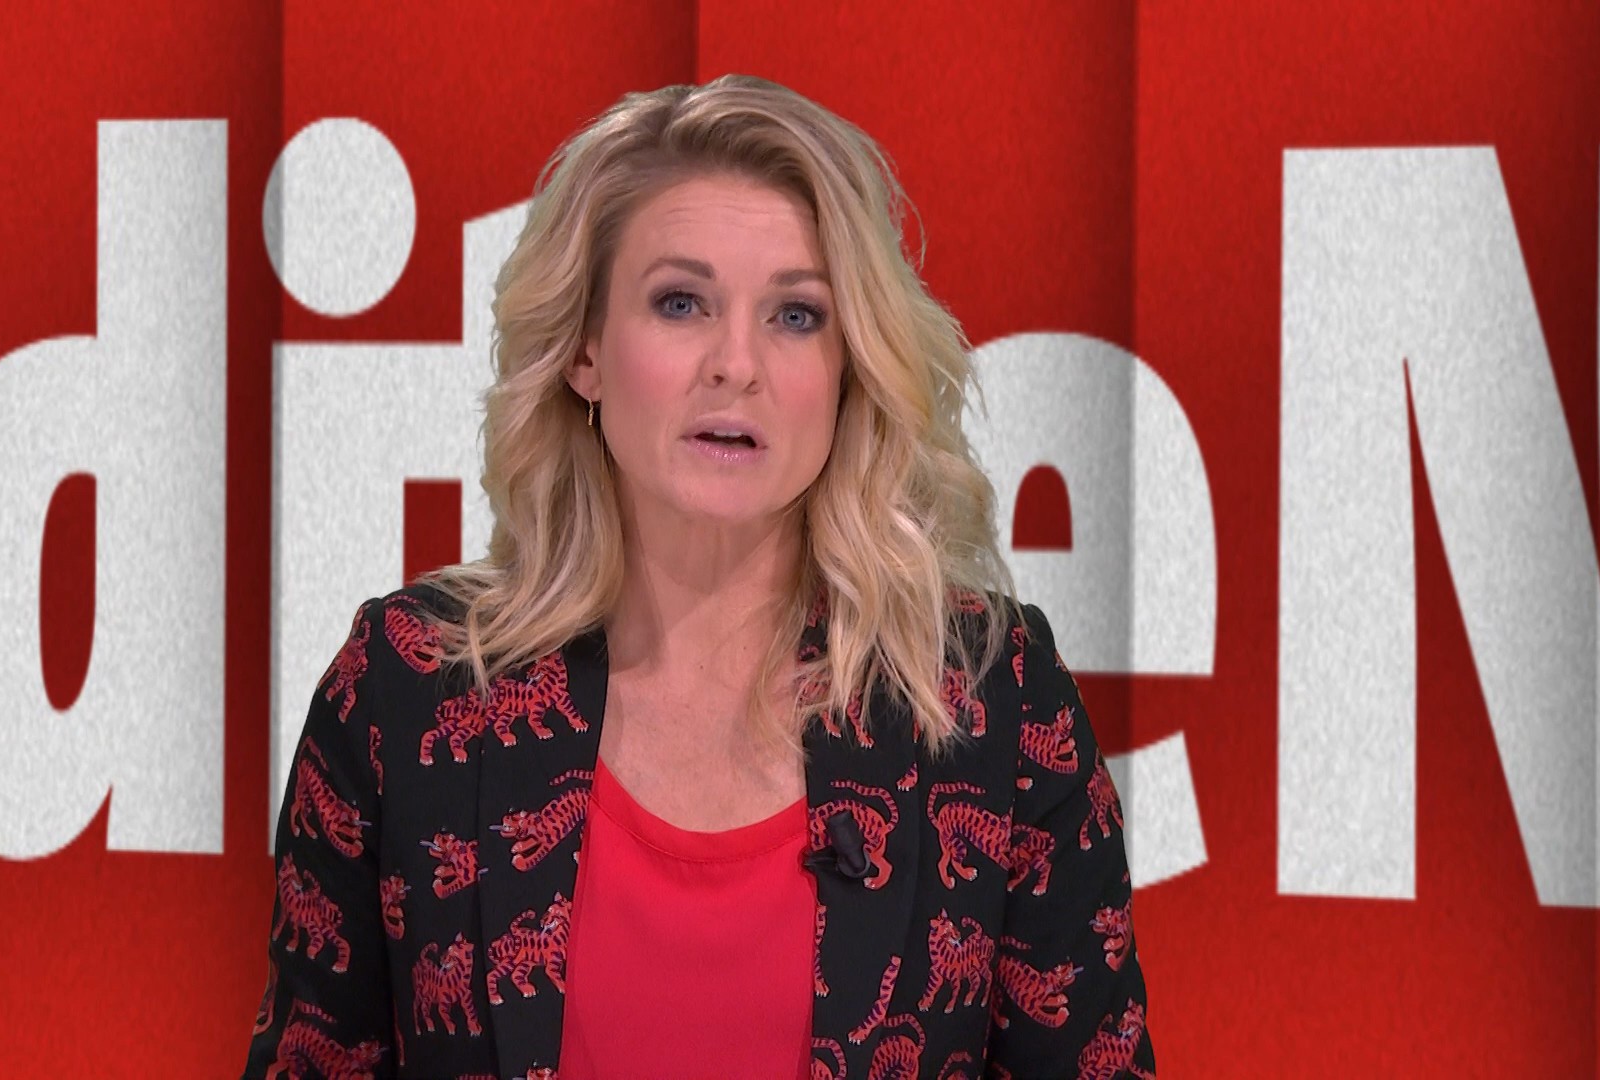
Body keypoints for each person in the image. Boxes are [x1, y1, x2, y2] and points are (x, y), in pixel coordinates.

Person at [242, 73, 1154, 1079]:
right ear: (585, 351)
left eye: (796, 315)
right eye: (681, 303)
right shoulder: (408, 687)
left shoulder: (992, 700)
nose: (736, 363)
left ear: (851, 368)